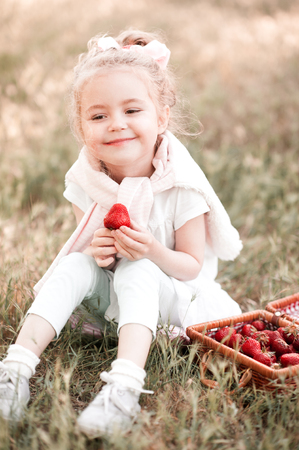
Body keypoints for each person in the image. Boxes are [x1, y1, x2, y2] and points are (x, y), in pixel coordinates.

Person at [0, 29, 243, 436]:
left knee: (140, 270)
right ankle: (15, 371)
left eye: (132, 111)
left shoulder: (182, 186)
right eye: (98, 116)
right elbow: (100, 257)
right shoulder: (87, 181)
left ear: (161, 116)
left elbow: (189, 267)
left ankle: (124, 387)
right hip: (117, 305)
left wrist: (151, 251)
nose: (116, 125)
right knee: (76, 261)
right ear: (81, 129)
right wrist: (100, 251)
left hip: (174, 302)